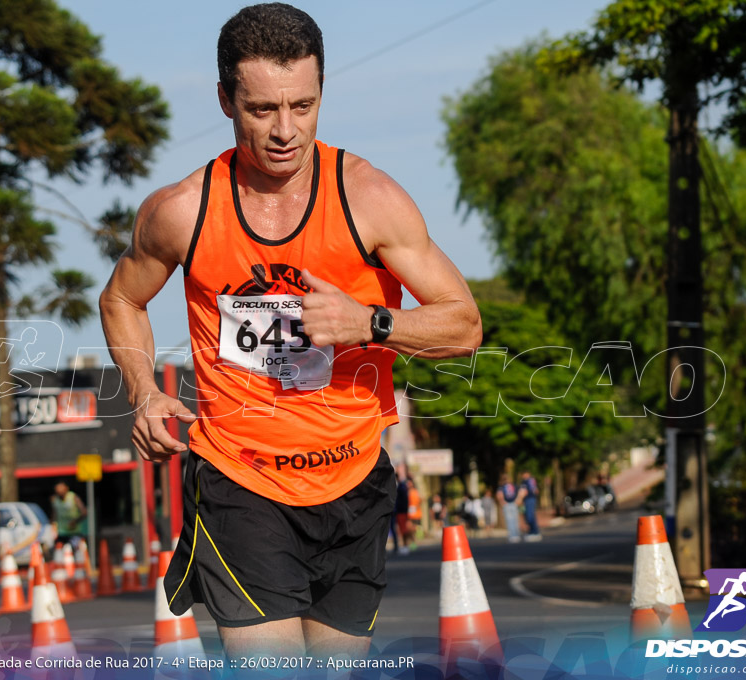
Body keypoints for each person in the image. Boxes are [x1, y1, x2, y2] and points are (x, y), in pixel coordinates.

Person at [98, 3, 481, 659]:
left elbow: (464, 323)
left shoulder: (368, 198)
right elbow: (121, 299)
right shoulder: (183, 211)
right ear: (225, 100)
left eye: (303, 106)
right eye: (262, 109)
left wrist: (368, 322)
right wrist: (145, 392)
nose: (285, 131)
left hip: (355, 478)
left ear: (322, 93)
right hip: (239, 483)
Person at [50, 482, 87, 547]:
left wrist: (75, 521)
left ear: (66, 488)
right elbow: (54, 515)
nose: (59, 490)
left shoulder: (73, 497)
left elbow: (84, 512)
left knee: (76, 549)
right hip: (62, 532)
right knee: (59, 550)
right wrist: (53, 525)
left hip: (74, 532)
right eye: (57, 489)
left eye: (61, 488)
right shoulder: (55, 500)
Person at [498, 474, 524, 543]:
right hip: (509, 504)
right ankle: (514, 535)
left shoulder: (504, 487)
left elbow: (499, 495)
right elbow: (500, 495)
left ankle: (514, 535)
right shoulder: (508, 486)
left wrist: (518, 500)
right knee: (512, 520)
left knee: (512, 520)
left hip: (512, 504)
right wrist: (503, 502)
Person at [520, 471, 542, 541]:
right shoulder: (532, 480)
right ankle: (535, 532)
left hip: (528, 499)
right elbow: (536, 491)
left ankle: (533, 532)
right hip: (533, 499)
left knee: (529, 516)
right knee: (532, 515)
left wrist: (519, 499)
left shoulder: (525, 481)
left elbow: (523, 491)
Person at [403, 478, 422, 551]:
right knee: (408, 529)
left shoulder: (415, 492)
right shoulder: (407, 492)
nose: (408, 484)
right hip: (409, 514)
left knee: (412, 529)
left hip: (416, 514)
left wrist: (416, 506)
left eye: (409, 483)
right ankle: (412, 543)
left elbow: (419, 501)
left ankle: (413, 542)